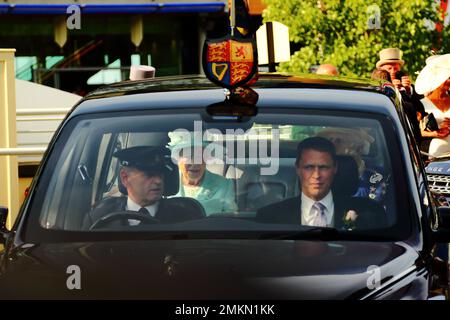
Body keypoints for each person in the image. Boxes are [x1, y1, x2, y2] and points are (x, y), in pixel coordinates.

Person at [256, 137, 385, 229]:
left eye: (323, 167)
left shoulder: (370, 213)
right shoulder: (269, 217)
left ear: (335, 169)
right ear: (298, 169)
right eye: (309, 167)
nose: (316, 175)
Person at [83, 146, 203, 228]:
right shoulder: (98, 219)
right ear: (125, 178)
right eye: (149, 175)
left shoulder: (187, 218)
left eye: (160, 174)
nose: (158, 181)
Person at [170, 138, 238, 215]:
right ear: (177, 160)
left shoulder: (224, 184)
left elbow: (231, 215)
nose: (194, 162)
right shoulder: (167, 182)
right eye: (188, 156)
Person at [415, 54, 450, 157]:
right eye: (447, 78)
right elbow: (415, 132)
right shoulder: (421, 104)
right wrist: (436, 133)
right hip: (433, 153)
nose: (449, 81)